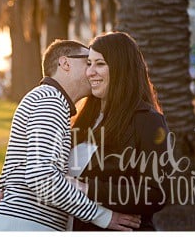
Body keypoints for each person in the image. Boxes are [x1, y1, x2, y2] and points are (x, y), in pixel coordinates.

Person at [0, 39, 141, 231]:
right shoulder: (49, 101)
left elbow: (23, 167)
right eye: (88, 62)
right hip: (29, 226)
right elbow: (41, 177)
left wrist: (4, 187)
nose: (92, 71)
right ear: (65, 63)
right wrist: (103, 216)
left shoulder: (46, 99)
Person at [70, 31, 172, 231]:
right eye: (89, 64)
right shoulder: (84, 118)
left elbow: (156, 194)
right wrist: (12, 188)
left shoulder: (148, 121)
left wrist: (88, 188)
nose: (90, 72)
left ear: (120, 69)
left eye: (100, 64)